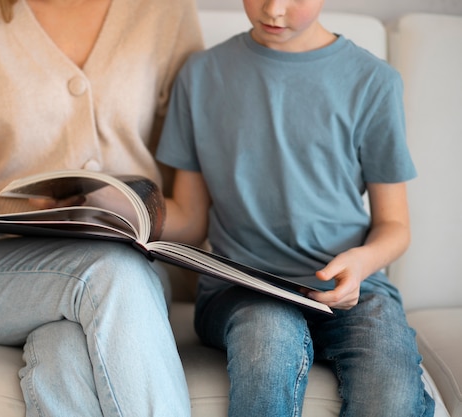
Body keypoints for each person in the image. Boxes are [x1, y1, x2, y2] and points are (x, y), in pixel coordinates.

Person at [0, 0, 203, 416]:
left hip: (131, 270)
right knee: (111, 275)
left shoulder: (164, 12)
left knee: (66, 349)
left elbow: (186, 167)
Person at [156, 0, 436, 416]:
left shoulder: (373, 81)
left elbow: (395, 225)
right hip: (241, 290)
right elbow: (192, 219)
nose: (274, 9)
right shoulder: (200, 75)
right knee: (267, 342)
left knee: (390, 392)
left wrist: (360, 264)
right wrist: (122, 214)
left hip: (353, 290)